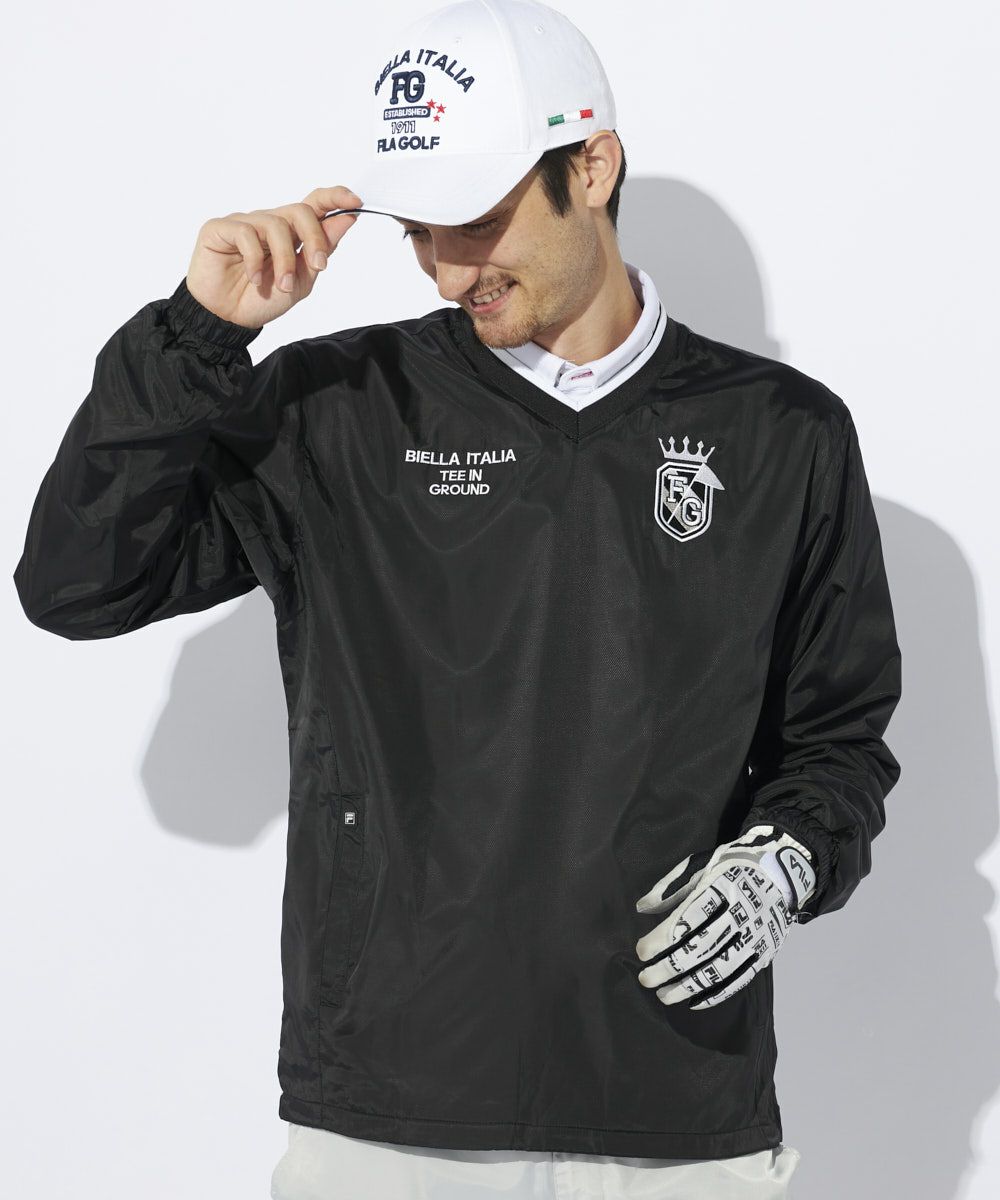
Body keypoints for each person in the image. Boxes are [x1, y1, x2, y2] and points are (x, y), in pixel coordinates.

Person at [11, 1, 901, 1197]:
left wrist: (783, 863)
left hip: (675, 1107)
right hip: (389, 1114)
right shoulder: (334, 408)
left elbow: (836, 738)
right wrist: (196, 338)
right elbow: (79, 586)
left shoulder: (781, 433)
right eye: (422, 229)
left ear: (593, 167)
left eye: (477, 221)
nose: (446, 267)